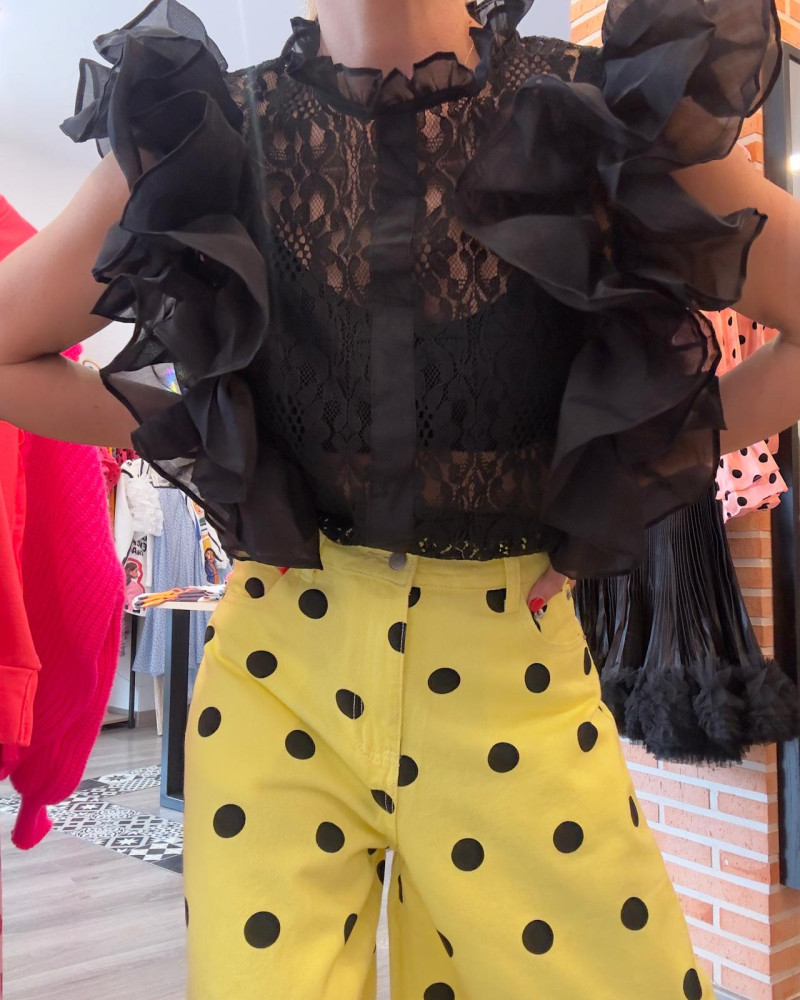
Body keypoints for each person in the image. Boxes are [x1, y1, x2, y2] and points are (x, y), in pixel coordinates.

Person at [1, 0, 799, 996]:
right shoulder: (201, 128)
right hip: (276, 680)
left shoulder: (599, 111)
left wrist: (614, 464)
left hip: (511, 680)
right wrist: (216, 436)